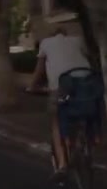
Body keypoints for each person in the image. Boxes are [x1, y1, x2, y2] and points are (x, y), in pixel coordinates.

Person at [27, 25, 92, 181]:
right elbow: (88, 58)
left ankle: (62, 165)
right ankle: (82, 141)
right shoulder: (77, 40)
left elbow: (39, 70)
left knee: (56, 122)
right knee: (83, 111)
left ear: (52, 35)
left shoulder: (45, 43)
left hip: (61, 86)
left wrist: (32, 86)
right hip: (86, 83)